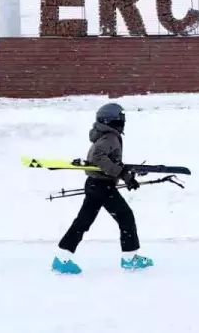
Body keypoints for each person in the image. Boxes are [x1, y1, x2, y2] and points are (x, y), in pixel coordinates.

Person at [53, 102, 154, 274]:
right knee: (125, 218)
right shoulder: (110, 137)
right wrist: (123, 173)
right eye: (120, 119)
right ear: (112, 120)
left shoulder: (105, 136)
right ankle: (130, 259)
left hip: (96, 184)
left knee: (84, 221)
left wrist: (126, 175)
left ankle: (62, 259)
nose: (123, 122)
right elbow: (98, 158)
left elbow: (108, 162)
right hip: (102, 186)